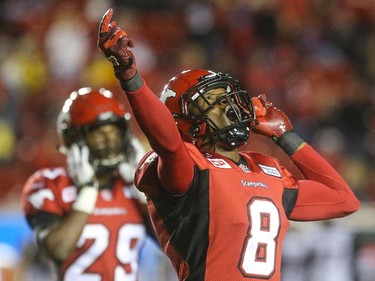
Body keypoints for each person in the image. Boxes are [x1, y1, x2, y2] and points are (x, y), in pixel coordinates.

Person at [97, 8, 361, 281]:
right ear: (187, 122)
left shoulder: (265, 168)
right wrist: (130, 77)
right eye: (214, 102)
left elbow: (343, 199)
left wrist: (285, 136)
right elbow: (169, 144)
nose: (230, 107)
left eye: (229, 99)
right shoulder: (189, 167)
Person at [21, 87, 152, 281]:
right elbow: (58, 249)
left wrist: (143, 187)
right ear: (74, 138)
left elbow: (177, 246)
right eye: (99, 134)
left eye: (115, 132)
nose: (110, 142)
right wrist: (89, 189)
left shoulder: (130, 187)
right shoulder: (50, 183)